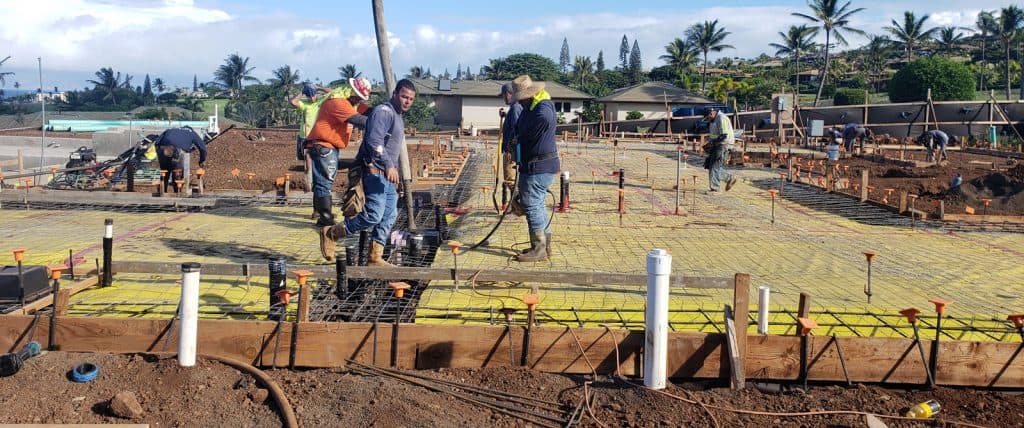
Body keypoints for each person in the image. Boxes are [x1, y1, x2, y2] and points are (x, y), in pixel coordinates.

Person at [322, 79, 416, 265]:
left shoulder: (397, 116)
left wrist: (392, 169)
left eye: (411, 99)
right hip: (374, 171)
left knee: (390, 215)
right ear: (395, 94)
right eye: (404, 96)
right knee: (373, 215)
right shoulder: (384, 112)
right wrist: (389, 165)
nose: (407, 101)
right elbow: (374, 142)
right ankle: (332, 233)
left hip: (387, 177)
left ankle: (375, 256)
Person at [305, 77, 373, 260]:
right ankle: (326, 223)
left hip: (331, 146)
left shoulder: (352, 103)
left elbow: (370, 113)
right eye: (357, 97)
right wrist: (382, 124)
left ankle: (324, 219)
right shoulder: (338, 103)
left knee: (324, 181)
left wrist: (386, 111)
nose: (359, 101)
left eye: (361, 98)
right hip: (324, 145)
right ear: (350, 92)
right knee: (324, 183)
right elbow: (362, 121)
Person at [507, 75, 559, 262]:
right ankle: (544, 246)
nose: (520, 103)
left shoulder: (542, 108)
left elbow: (544, 119)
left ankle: (539, 249)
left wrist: (525, 136)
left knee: (532, 205)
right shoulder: (532, 107)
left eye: (521, 99)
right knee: (536, 205)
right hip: (535, 165)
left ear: (529, 95)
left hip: (540, 166)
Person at [155, 126, 206, 193]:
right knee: (177, 173)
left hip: (163, 149)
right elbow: (202, 148)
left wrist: (160, 154)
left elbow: (157, 142)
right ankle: (177, 194)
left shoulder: (170, 129)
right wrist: (202, 160)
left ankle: (162, 192)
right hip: (177, 150)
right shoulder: (191, 132)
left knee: (165, 172)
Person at [704, 107, 736, 193]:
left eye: (708, 117)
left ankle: (715, 189)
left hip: (724, 145)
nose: (708, 119)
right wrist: (710, 143)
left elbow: (724, 135)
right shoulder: (713, 121)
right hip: (718, 145)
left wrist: (713, 142)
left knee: (715, 166)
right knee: (711, 165)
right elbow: (714, 135)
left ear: (711, 113)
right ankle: (729, 178)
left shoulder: (722, 118)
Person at [499, 82, 523, 196]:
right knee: (511, 180)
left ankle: (518, 207)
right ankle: (516, 206)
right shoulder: (514, 108)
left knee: (510, 180)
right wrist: (505, 115)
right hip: (511, 150)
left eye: (503, 95)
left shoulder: (515, 108)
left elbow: (517, 130)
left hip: (512, 152)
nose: (503, 98)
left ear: (509, 93)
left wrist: (510, 149)